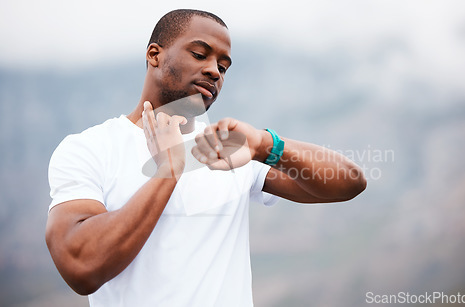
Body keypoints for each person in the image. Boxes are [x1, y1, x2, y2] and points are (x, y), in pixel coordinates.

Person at [45, 9, 366, 307]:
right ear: (154, 55)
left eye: (223, 66)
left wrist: (265, 144)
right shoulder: (90, 148)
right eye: (200, 54)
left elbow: (350, 183)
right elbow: (81, 266)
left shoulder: (230, 148)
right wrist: (170, 168)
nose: (214, 70)